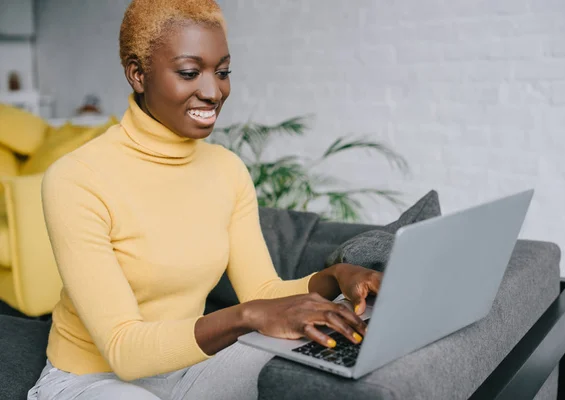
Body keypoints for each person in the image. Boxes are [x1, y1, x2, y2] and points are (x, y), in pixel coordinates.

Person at [28, 0, 381, 399]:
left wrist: (334, 278)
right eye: (189, 73)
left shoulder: (227, 170)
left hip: (190, 368)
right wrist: (246, 318)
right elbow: (124, 350)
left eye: (223, 71)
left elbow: (262, 293)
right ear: (138, 74)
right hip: (93, 379)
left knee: (319, 369)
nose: (214, 92)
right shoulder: (77, 178)